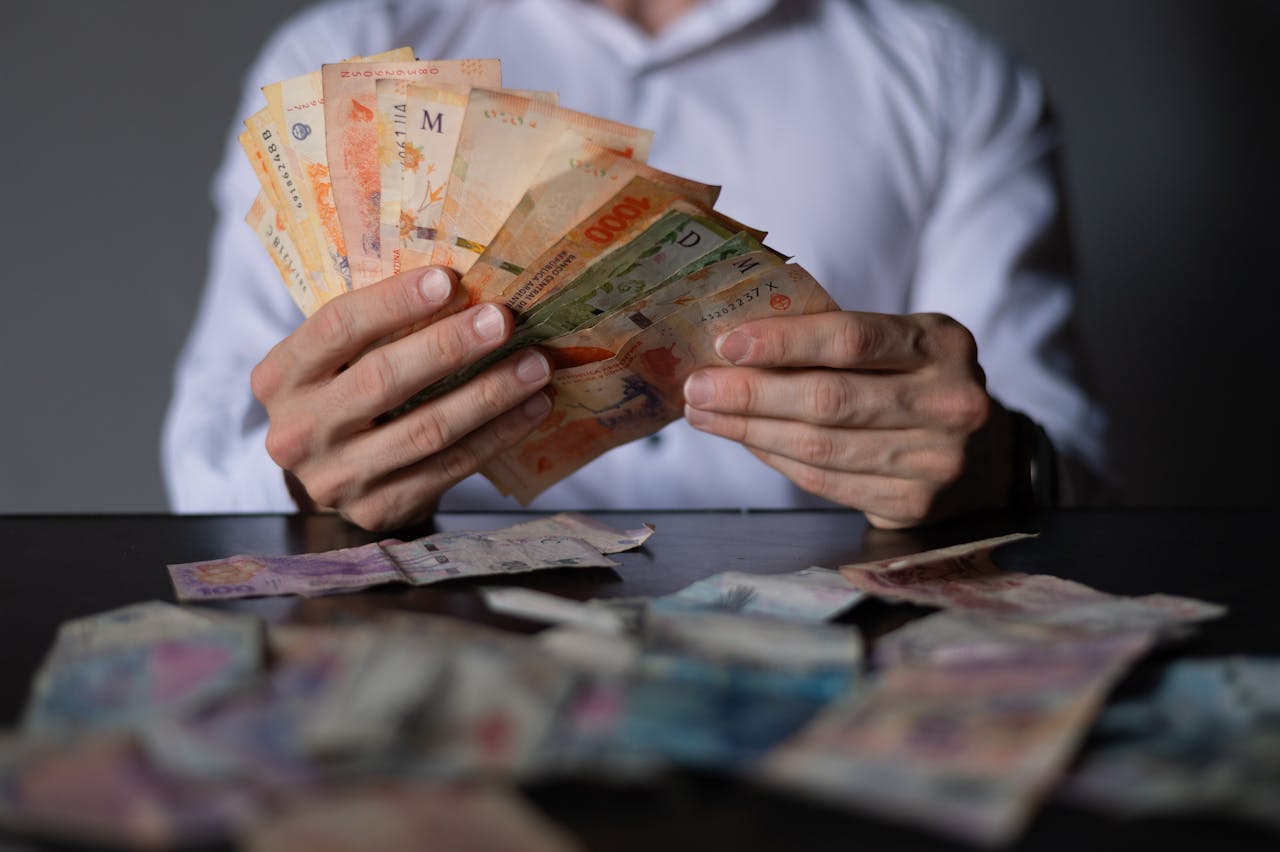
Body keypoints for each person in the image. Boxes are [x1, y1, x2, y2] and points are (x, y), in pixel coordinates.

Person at [162, 0, 1116, 531]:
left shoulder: (954, 83)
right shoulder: (341, 57)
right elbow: (209, 467)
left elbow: (1070, 463)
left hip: (821, 690)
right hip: (431, 656)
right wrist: (299, 473)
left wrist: (997, 459)